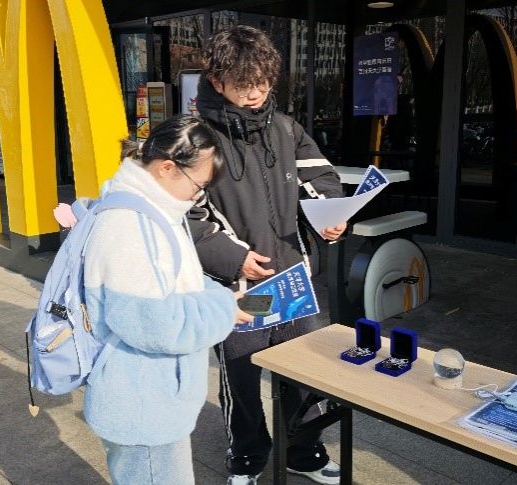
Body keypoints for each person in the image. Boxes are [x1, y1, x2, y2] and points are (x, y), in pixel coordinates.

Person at [188, 26, 347, 485]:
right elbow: (186, 215)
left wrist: (329, 216)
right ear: (216, 81)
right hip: (239, 287)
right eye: (243, 84)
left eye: (261, 82)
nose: (255, 93)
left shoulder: (285, 127)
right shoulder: (197, 138)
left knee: (303, 369)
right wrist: (231, 258)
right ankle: (246, 455)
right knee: (241, 376)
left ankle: (304, 451)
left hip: (293, 276)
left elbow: (322, 179)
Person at [82, 115, 253, 484]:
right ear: (167, 167)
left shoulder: (148, 210)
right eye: (198, 185)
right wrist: (224, 308)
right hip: (143, 404)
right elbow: (159, 326)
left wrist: (221, 296)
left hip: (147, 394)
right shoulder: (130, 225)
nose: (198, 196)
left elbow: (177, 281)